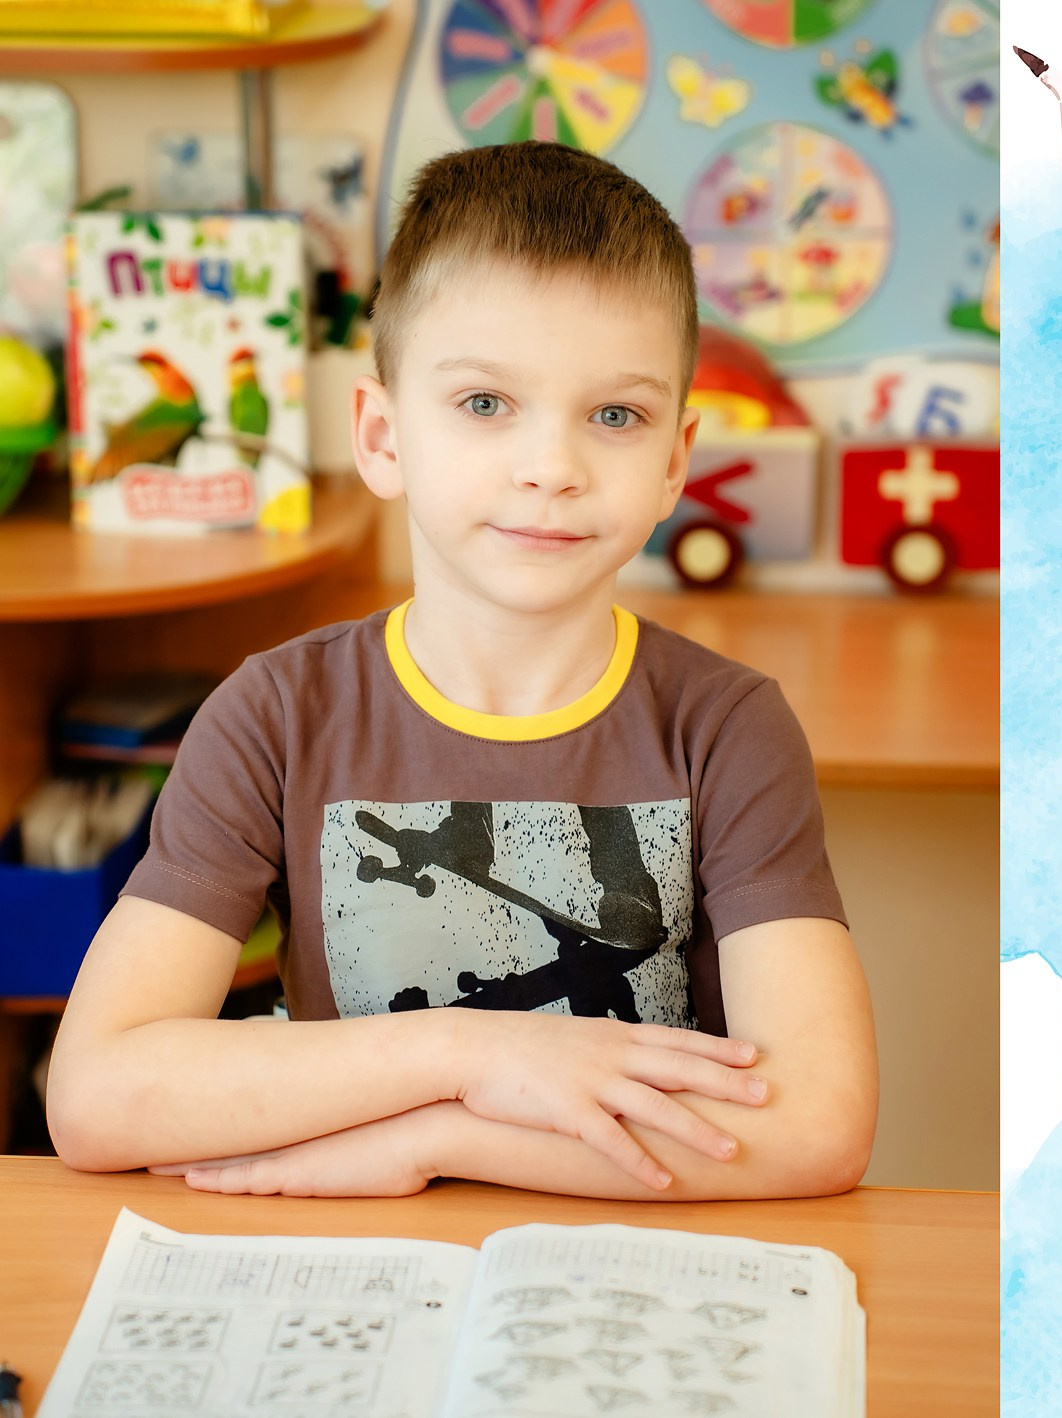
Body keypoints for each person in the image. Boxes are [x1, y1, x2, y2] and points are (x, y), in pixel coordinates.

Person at [46, 143, 877, 1203]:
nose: (552, 465)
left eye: (613, 415)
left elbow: (821, 1125)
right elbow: (95, 1091)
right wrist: (470, 1056)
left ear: (674, 459)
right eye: (485, 402)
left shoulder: (727, 727)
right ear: (383, 436)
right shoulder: (271, 713)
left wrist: (439, 1139)